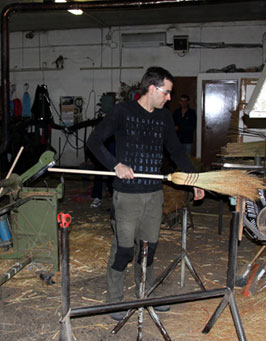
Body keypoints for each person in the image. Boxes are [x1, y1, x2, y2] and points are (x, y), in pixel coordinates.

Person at [87, 66, 205, 321]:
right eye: (167, 92)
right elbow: (94, 141)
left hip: (153, 193)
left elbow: (176, 151)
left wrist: (193, 179)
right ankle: (114, 301)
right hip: (127, 195)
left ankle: (147, 295)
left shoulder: (163, 118)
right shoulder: (122, 112)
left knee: (148, 248)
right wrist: (115, 165)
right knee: (124, 250)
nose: (169, 98)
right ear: (152, 89)